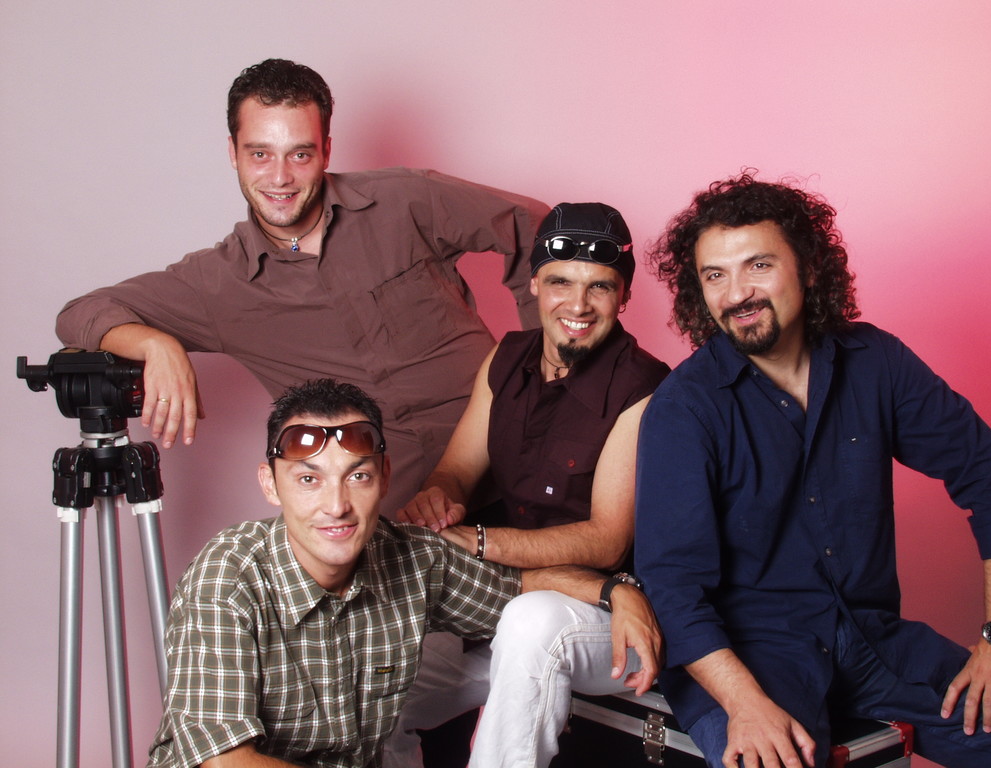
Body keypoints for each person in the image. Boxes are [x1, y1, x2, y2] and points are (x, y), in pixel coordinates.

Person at [635, 172, 991, 768]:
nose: (736, 293)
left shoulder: (875, 361)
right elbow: (673, 586)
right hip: (749, 661)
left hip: (875, 642)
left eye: (758, 265)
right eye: (715, 275)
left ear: (809, 267)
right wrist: (745, 704)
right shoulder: (683, 408)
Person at [54, 58, 549, 514]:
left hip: (519, 452)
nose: (280, 178)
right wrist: (155, 345)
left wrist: (545, 366)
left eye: (300, 154)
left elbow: (535, 226)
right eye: (260, 154)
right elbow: (80, 312)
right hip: (395, 518)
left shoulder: (404, 200)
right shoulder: (217, 283)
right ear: (233, 153)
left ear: (326, 150)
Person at [148, 377, 659, 767]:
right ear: (269, 484)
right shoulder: (228, 577)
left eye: (358, 476)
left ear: (385, 477)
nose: (336, 506)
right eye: (309, 480)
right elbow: (225, 762)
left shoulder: (408, 558)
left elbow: (523, 588)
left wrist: (616, 589)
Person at [385, 203, 669, 768]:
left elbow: (606, 541)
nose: (578, 305)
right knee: (382, 690)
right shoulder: (507, 357)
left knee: (532, 620)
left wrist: (477, 543)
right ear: (535, 282)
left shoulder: (645, 386)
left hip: (614, 616)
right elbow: (456, 470)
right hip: (512, 596)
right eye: (561, 282)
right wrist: (438, 498)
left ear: (623, 296)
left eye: (599, 286)